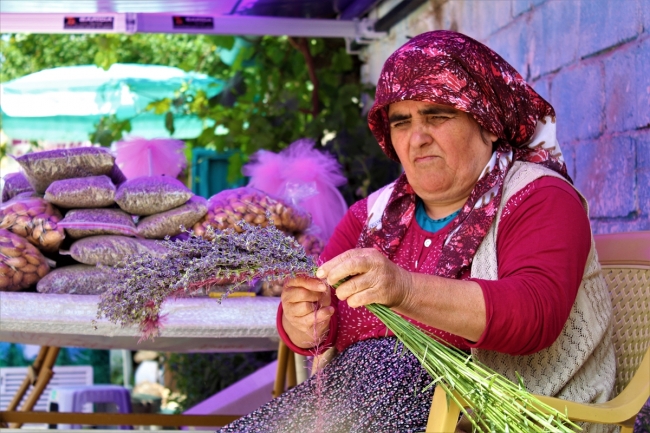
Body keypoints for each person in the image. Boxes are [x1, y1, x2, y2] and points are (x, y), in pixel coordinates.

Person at [218, 30, 615, 433]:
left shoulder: (539, 197)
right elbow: (309, 320)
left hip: (510, 419)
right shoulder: (370, 215)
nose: (418, 137)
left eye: (438, 115)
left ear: (488, 122)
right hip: (365, 413)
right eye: (401, 122)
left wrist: (405, 289)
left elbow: (535, 314)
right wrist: (303, 321)